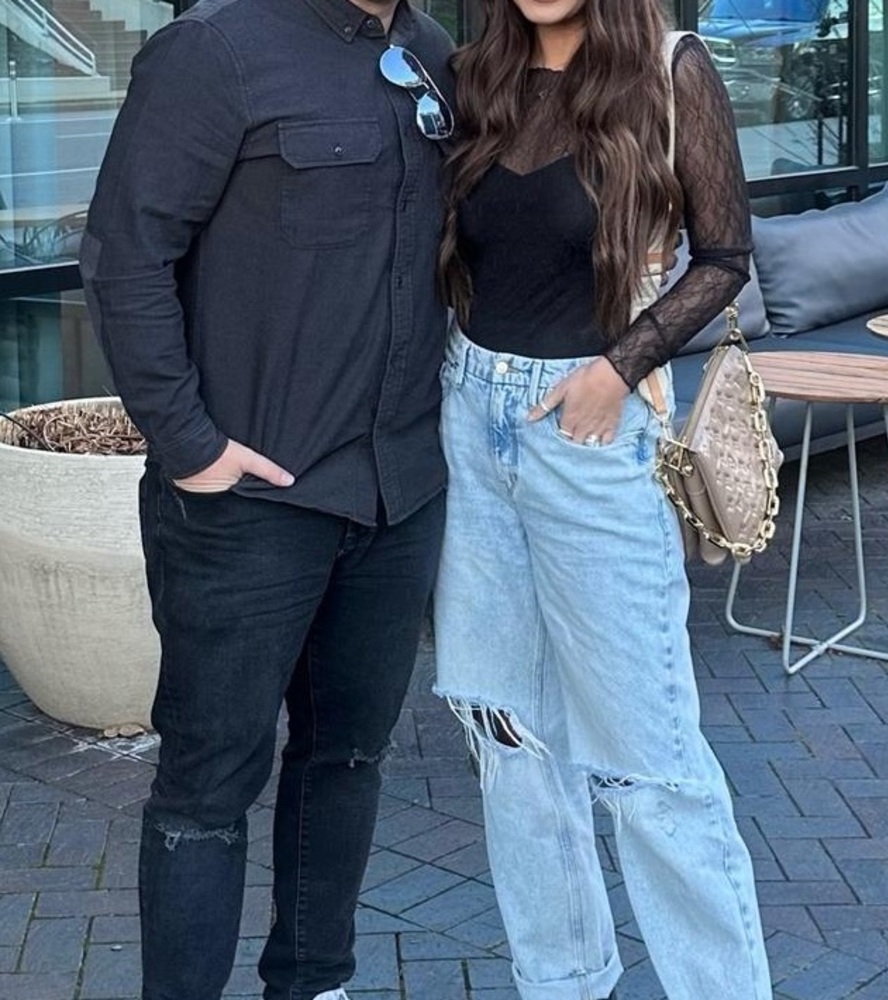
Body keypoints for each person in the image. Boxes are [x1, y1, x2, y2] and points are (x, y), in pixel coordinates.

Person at [80, 1, 454, 998]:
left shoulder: (432, 54)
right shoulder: (213, 50)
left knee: (348, 758)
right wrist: (191, 446)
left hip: (396, 496)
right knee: (207, 787)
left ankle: (313, 981)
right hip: (248, 508)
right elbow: (125, 256)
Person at [433, 2, 773, 999]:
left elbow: (725, 257)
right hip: (470, 421)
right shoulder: (475, 74)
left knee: (646, 756)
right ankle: (564, 981)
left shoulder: (670, 71)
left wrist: (618, 368)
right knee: (507, 733)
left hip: (587, 433)